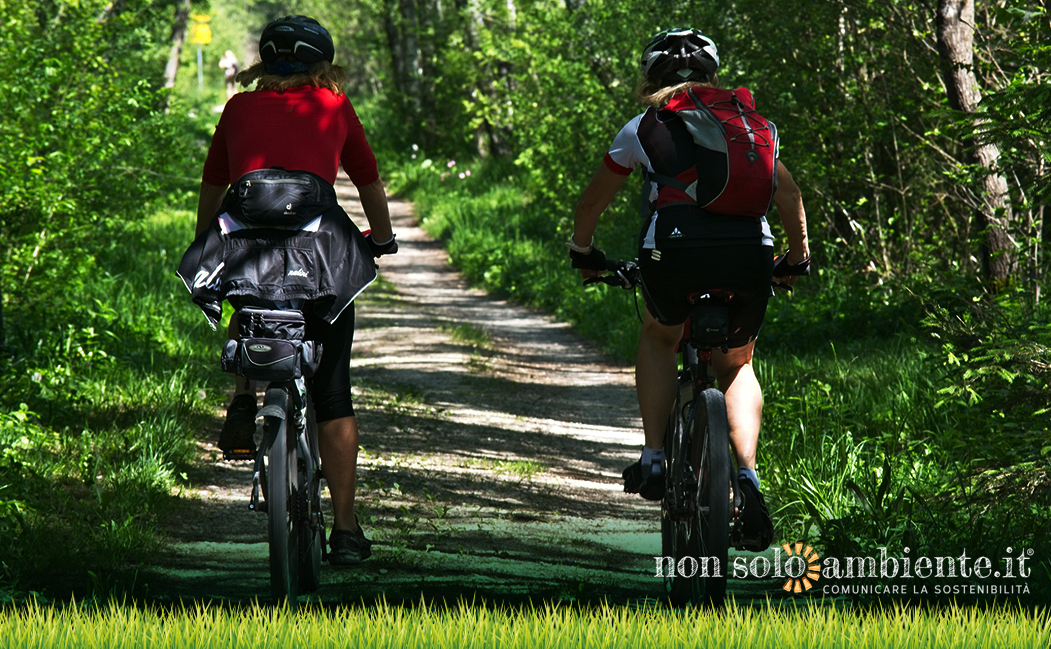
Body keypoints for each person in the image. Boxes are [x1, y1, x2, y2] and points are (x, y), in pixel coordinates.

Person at [566, 28, 810, 551]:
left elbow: (591, 205)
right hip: (749, 253)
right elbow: (787, 193)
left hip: (673, 254)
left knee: (659, 334)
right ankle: (747, 477)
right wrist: (796, 260)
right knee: (737, 364)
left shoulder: (643, 127)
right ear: (710, 75)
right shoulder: (749, 124)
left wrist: (583, 254)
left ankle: (654, 457)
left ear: (651, 78)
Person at [192, 15, 397, 565]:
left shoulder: (237, 109)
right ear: (321, 64)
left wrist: (203, 242)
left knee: (247, 290)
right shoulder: (333, 105)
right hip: (320, 256)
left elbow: (214, 187)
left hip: (247, 248)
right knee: (333, 391)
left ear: (264, 62)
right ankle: (347, 530)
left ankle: (242, 395)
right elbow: (367, 180)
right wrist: (383, 239)